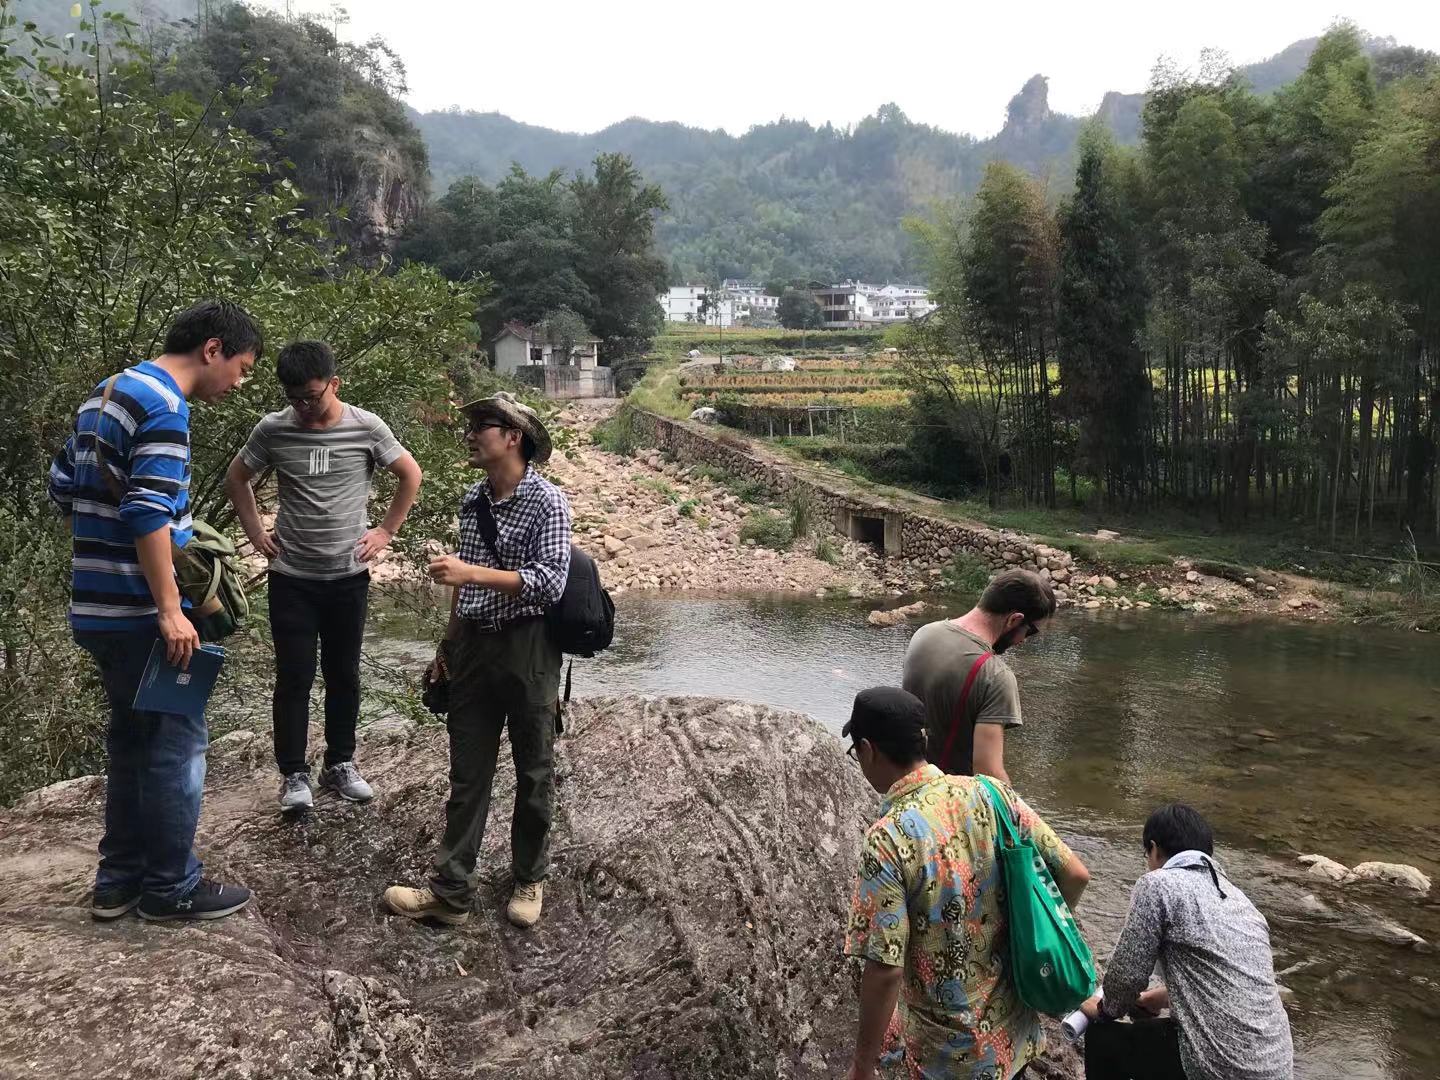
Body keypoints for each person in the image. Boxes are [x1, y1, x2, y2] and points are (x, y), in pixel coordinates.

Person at [48, 299, 262, 922]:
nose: (239, 382)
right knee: (176, 744)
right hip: (145, 614)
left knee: (130, 742)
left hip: (96, 607)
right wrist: (171, 608)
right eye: (242, 367)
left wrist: (102, 553)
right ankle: (170, 889)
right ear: (213, 349)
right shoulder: (167, 406)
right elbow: (147, 510)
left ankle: (118, 882)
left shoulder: (107, 392)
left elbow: (62, 486)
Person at [383, 391, 571, 929]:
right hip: (473, 646)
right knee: (468, 774)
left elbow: (550, 583)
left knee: (534, 769)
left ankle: (529, 876)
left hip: (528, 645)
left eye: (481, 425)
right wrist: (447, 645)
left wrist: (470, 573)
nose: (469, 433)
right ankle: (450, 890)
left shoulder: (548, 502)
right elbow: (463, 591)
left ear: (513, 438)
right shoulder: (474, 499)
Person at [842, 686, 1091, 1080]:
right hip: (1014, 1036)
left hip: (942, 1057)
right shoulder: (991, 793)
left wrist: (862, 1065)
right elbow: (1074, 874)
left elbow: (885, 968)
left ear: (869, 750)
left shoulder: (888, 839)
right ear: (922, 741)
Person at [225, 341, 422, 811]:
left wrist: (386, 531)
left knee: (343, 674)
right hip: (292, 575)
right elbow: (237, 478)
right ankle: (294, 774)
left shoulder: (366, 427)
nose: (304, 407)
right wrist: (255, 531)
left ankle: (340, 764)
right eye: (294, 398)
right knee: (293, 675)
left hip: (346, 574)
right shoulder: (273, 430)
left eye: (312, 396)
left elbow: (410, 474)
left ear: (334, 384)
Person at [1078, 804, 1294, 1080]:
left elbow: (1127, 976)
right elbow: (1230, 981)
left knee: (1103, 1037)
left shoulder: (1158, 884)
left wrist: (1104, 1009)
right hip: (1276, 1065)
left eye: (1147, 855)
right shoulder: (1242, 902)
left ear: (1154, 849)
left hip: (1222, 1069)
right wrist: (1161, 999)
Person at [902, 568, 1056, 781]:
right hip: (949, 804)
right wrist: (1015, 811)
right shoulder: (995, 676)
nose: (1023, 641)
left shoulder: (924, 633)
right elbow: (989, 774)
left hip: (908, 784)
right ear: (1014, 619)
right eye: (1031, 632)